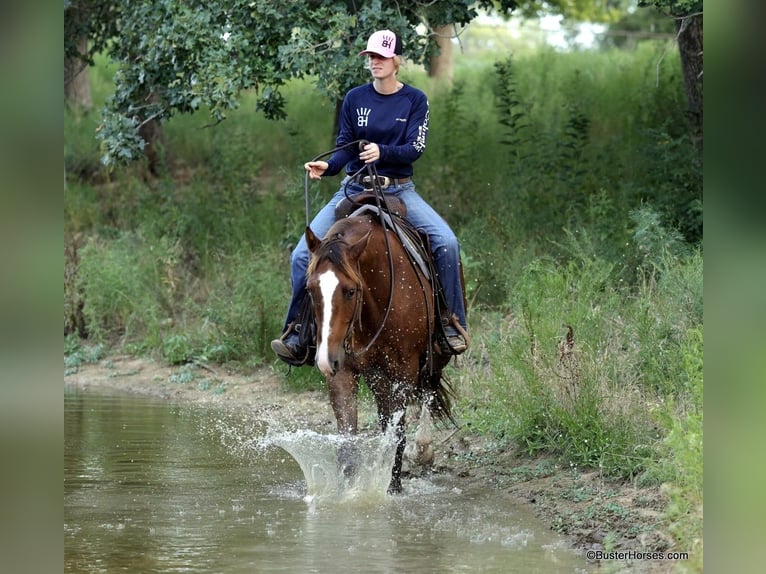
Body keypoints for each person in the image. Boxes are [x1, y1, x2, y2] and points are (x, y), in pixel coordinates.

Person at [271, 29, 468, 363]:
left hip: (398, 188)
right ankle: (298, 332)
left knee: (447, 242)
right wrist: (328, 166)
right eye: (371, 57)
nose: (375, 63)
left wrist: (382, 151)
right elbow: (347, 146)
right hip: (353, 187)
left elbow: (414, 149)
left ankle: (452, 325)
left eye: (381, 57)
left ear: (397, 61)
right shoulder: (355, 98)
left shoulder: (415, 100)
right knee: (301, 257)